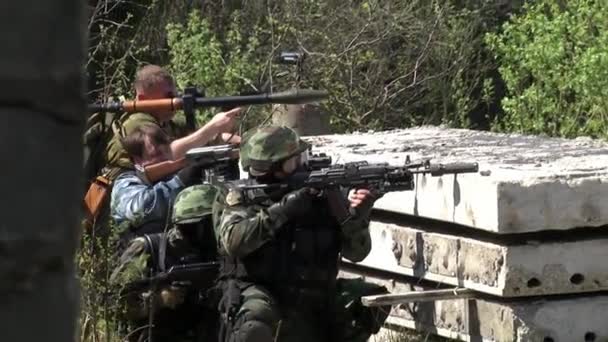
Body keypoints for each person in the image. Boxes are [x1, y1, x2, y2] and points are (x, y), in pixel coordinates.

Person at [212, 126, 391, 342]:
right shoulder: (237, 196)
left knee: (373, 300)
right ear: (275, 168)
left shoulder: (327, 194)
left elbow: (357, 253)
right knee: (254, 323)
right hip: (264, 294)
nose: (303, 163)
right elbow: (234, 242)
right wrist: (284, 209)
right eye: (294, 159)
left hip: (315, 296)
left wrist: (356, 218)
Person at [111, 184, 222, 342]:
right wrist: (158, 299)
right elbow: (114, 304)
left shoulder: (211, 250)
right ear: (199, 225)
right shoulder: (146, 248)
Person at [104, 64, 241, 178]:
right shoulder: (136, 122)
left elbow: (196, 139)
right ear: (143, 99)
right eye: (169, 96)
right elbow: (166, 155)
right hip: (130, 196)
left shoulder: (167, 123)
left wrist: (236, 139)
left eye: (175, 94)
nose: (175, 99)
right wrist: (213, 126)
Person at [110, 124, 206, 245]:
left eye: (167, 151)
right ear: (137, 160)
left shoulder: (170, 175)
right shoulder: (124, 183)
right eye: (157, 154)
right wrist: (179, 182)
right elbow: (139, 210)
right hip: (143, 258)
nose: (166, 158)